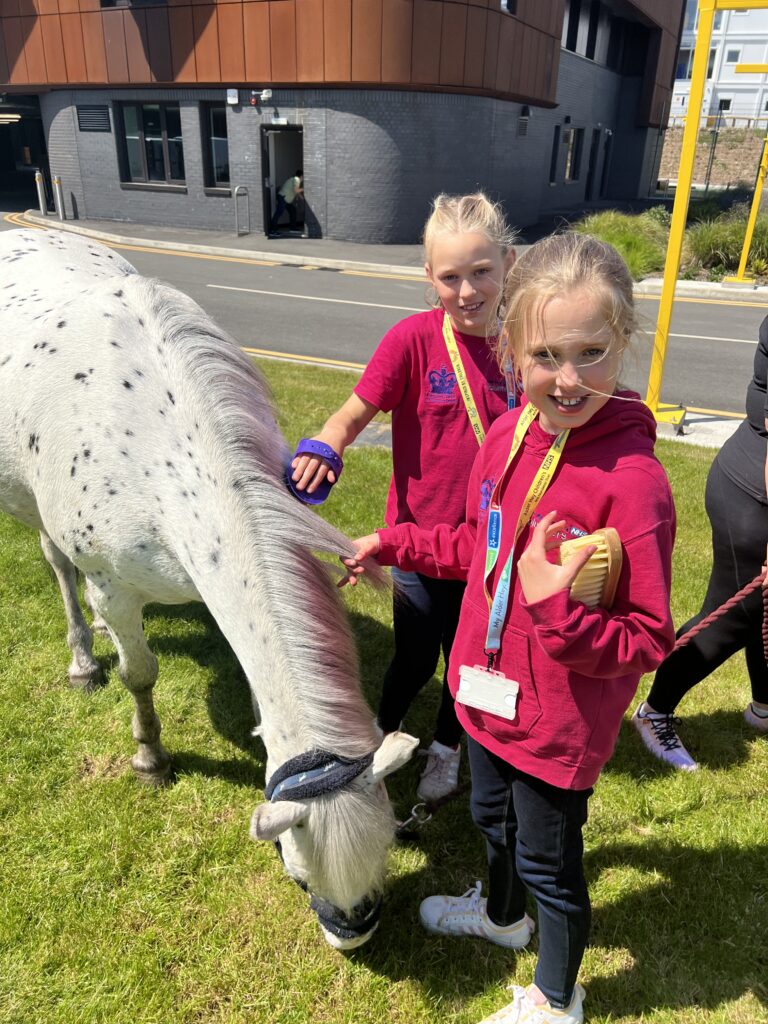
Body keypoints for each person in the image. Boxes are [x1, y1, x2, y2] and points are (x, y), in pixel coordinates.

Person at [340, 233, 676, 1024]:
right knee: (488, 820)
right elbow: (475, 547)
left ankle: (558, 1001)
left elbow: (649, 637)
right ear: (511, 351)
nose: (568, 379)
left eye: (593, 352)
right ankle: (500, 917)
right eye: (546, 354)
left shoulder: (636, 485)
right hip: (482, 695)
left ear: (625, 341)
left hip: (558, 725)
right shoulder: (510, 434)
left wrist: (558, 613)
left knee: (550, 864)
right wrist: (394, 541)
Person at [291, 192, 518, 802]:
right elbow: (354, 410)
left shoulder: (527, 348)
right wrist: (326, 445)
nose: (467, 291)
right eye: (450, 277)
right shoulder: (414, 341)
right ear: (429, 277)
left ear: (508, 263)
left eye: (481, 272)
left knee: (470, 664)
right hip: (416, 545)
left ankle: (446, 747)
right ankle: (378, 737)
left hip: (493, 553)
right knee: (414, 658)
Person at [633, 313, 768, 771]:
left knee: (762, 609)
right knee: (733, 614)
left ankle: (764, 708)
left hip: (752, 484)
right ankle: (654, 712)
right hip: (754, 495)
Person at [269, 169, 303, 234]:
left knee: (293, 211)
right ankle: (273, 230)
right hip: (283, 198)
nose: (303, 179)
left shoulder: (293, 179)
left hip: (285, 199)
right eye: (303, 177)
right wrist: (304, 189)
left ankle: (293, 228)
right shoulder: (297, 179)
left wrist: (301, 198)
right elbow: (296, 190)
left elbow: (296, 192)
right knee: (279, 212)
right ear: (301, 176)